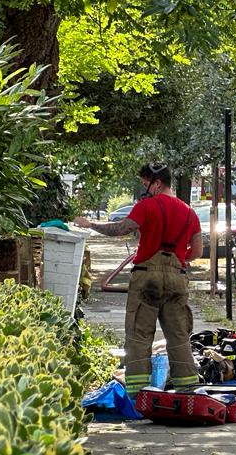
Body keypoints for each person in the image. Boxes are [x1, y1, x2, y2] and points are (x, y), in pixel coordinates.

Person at [74, 162, 202, 398]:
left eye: (146, 184)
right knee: (179, 335)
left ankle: (138, 395)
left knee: (139, 335)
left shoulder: (146, 206)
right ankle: (187, 389)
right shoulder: (190, 213)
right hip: (177, 277)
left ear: (157, 183)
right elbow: (196, 252)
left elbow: (121, 228)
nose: (144, 188)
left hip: (146, 276)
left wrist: (90, 224)